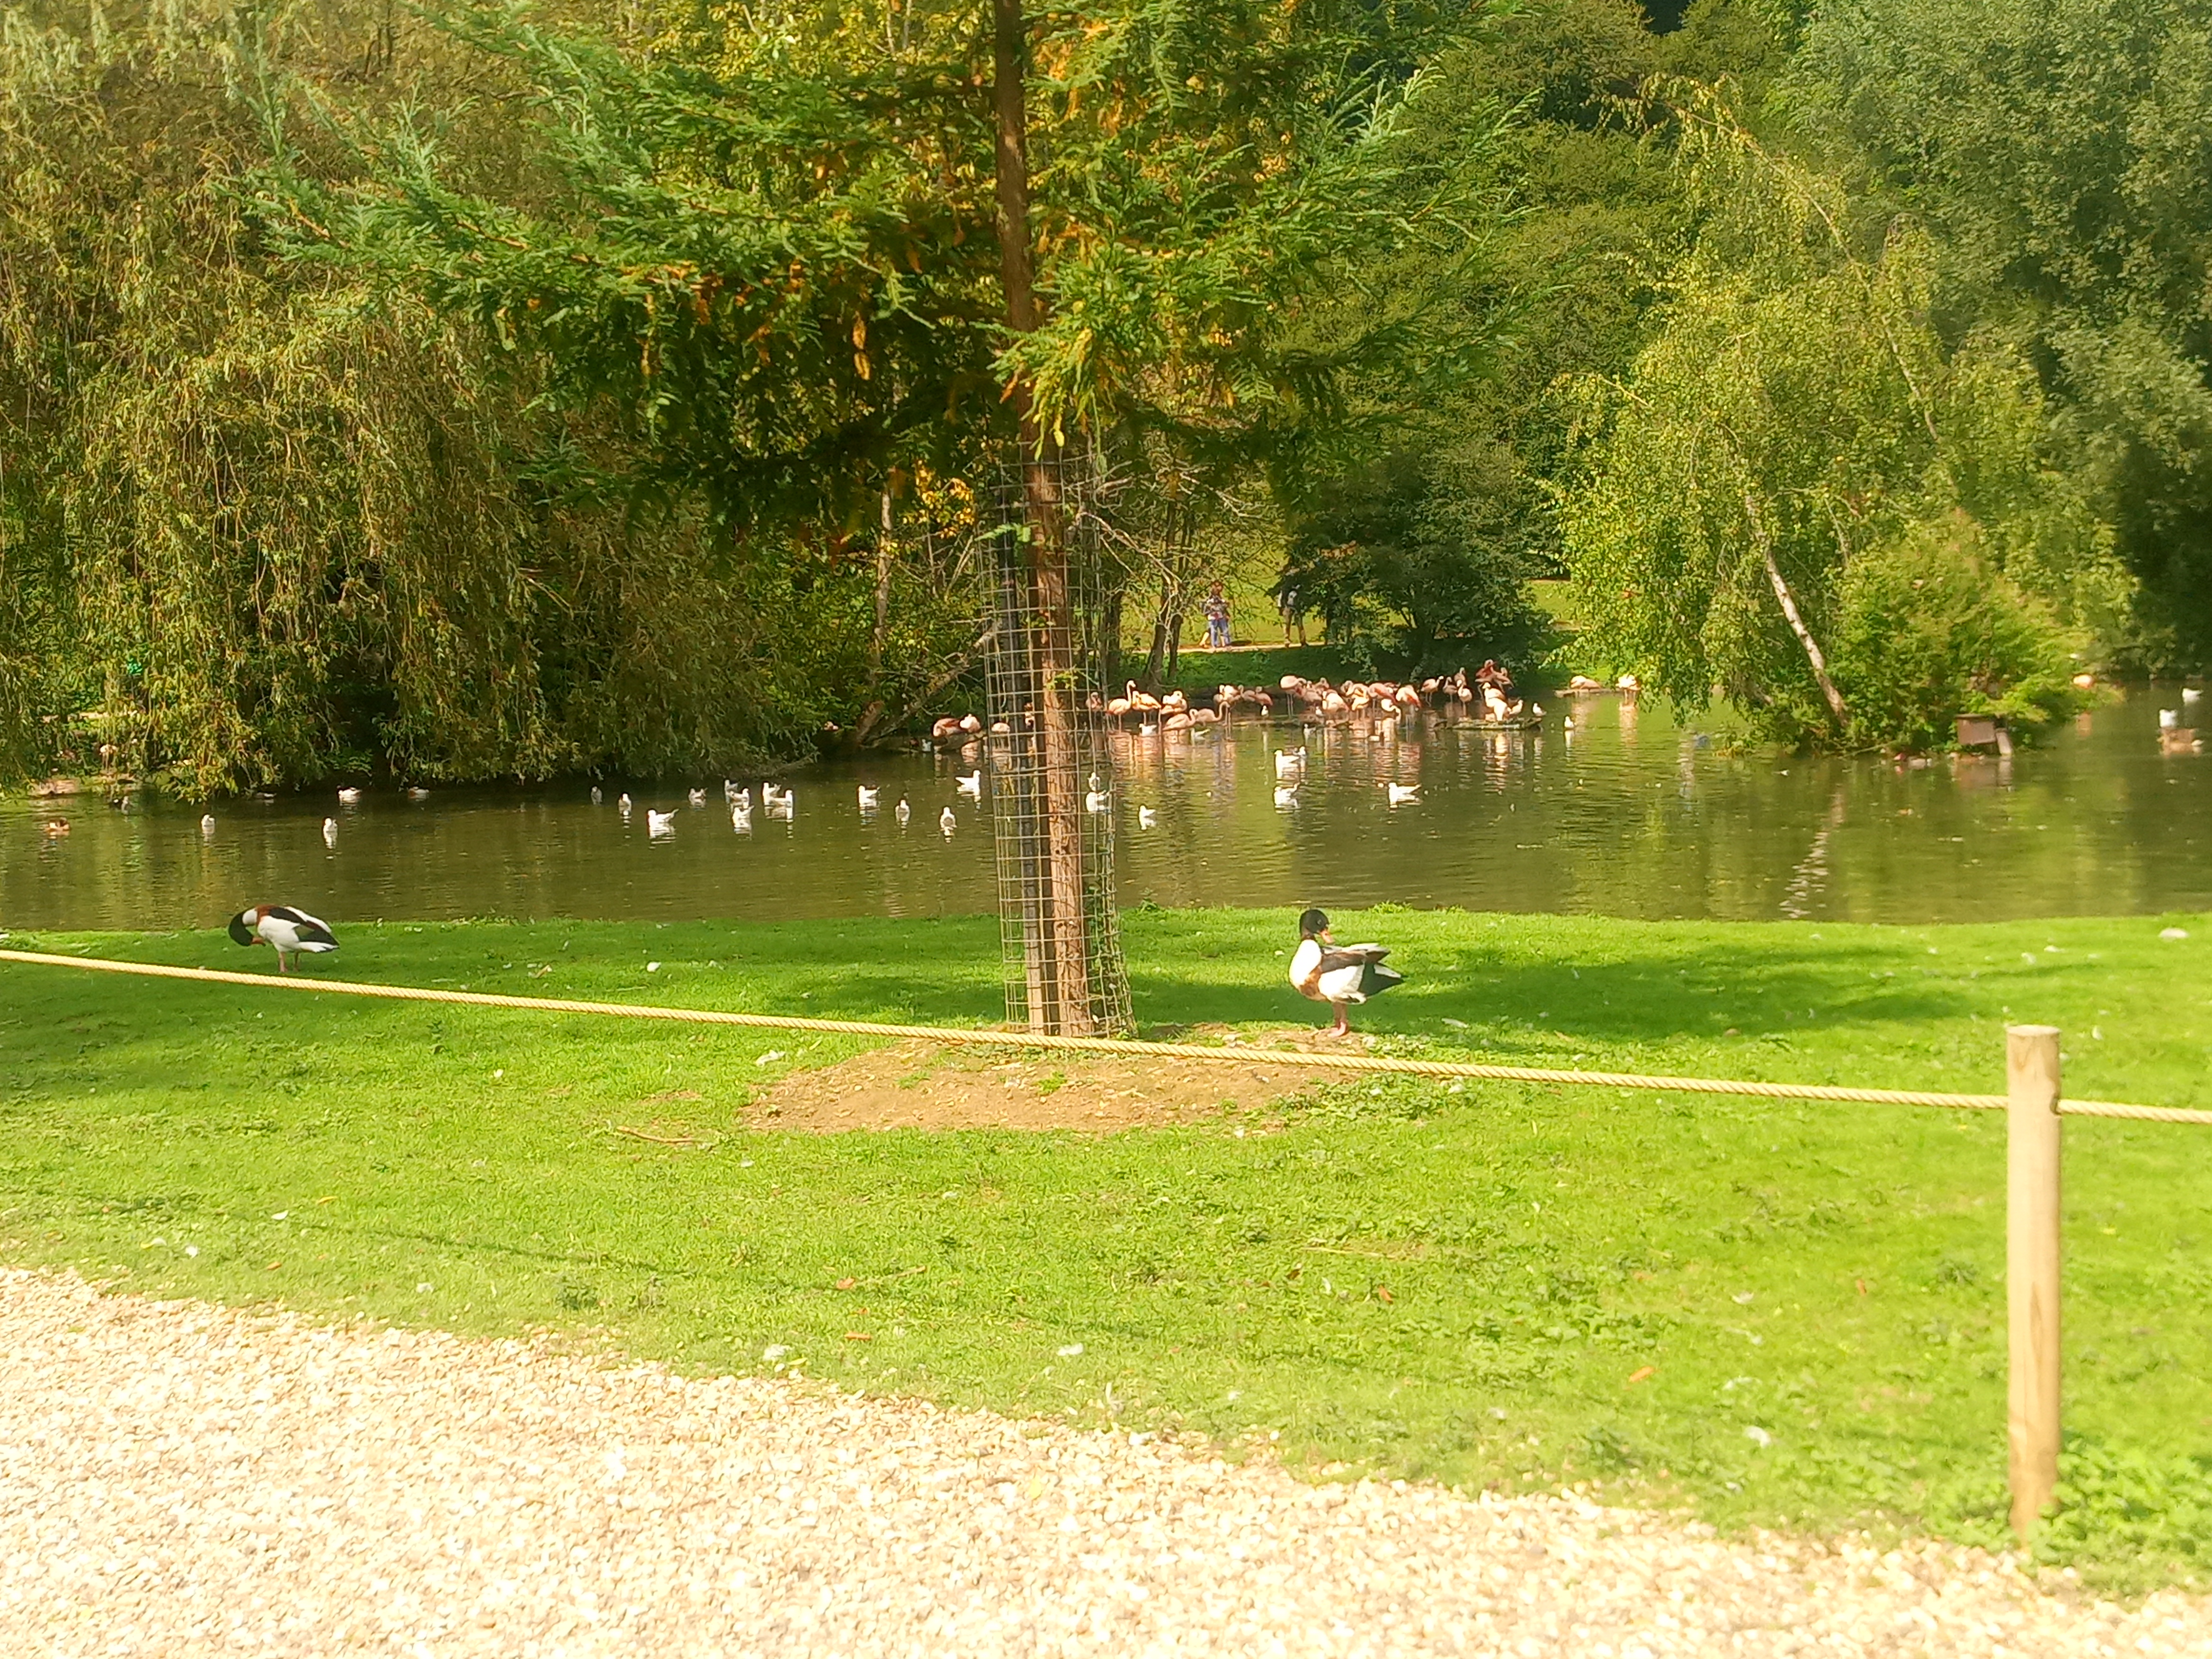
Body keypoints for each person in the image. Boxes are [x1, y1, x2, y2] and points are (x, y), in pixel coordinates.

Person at [1287, 907, 1403, 1037]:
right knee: (1332, 994)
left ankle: (1342, 1024)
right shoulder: (1312, 951)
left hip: (1363, 970)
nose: (1326, 933)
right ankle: (1338, 1022)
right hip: (1346, 965)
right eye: (1321, 927)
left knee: (1331, 990)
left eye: (1326, 928)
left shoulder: (1326, 980)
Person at [1276, 580, 1307, 646]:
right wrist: (1280, 608)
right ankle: (1287, 640)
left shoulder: (1300, 588)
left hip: (1297, 608)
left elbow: (1303, 598)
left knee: (1300, 625)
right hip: (1287, 607)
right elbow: (1281, 597)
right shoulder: (1285, 588)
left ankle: (1303, 641)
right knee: (1287, 624)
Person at [1202, 582, 1231, 649]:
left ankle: (1225, 644)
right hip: (1213, 617)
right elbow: (1209, 606)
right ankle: (1214, 645)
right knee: (1213, 631)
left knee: (1224, 630)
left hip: (1220, 616)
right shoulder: (1210, 598)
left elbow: (1222, 604)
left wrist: (1225, 610)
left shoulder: (1219, 597)